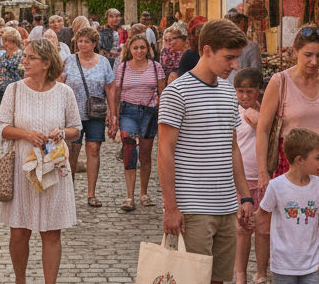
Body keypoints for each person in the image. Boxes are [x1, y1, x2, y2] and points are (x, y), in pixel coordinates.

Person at [158, 18, 253, 284]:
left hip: (227, 206)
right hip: (193, 209)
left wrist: (245, 197)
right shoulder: (177, 92)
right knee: (193, 280)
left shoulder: (228, 92)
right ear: (207, 50)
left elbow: (233, 148)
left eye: (236, 58)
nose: (234, 65)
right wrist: (170, 207)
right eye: (229, 58)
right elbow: (165, 152)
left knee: (219, 280)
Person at [255, 24, 319, 274]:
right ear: (295, 51)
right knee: (294, 226)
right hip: (292, 163)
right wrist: (263, 172)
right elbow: (263, 129)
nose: (314, 61)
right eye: (308, 55)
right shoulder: (280, 81)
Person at [0, 38, 82, 284]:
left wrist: (62, 132)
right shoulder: (14, 90)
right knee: (19, 232)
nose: (24, 61)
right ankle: (20, 280)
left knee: (52, 233)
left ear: (46, 63)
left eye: (30, 57)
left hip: (53, 169)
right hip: (22, 171)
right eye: (24, 56)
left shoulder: (64, 92)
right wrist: (26, 134)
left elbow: (76, 129)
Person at [258, 128, 319, 284]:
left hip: (312, 264)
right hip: (283, 265)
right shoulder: (276, 186)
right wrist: (261, 270)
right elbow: (261, 219)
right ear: (300, 160)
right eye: (318, 157)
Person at [58, 26, 115, 207]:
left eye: (86, 42)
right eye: (80, 41)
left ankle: (91, 194)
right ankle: (68, 192)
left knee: (93, 149)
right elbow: (60, 84)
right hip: (72, 114)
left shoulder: (104, 62)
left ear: (94, 43)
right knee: (72, 151)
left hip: (95, 113)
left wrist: (113, 113)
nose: (82, 44)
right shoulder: (69, 61)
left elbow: (110, 88)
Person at [111, 34, 165, 211]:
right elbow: (117, 92)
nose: (139, 51)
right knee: (129, 151)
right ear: (130, 49)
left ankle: (144, 193)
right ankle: (129, 197)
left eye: (142, 47)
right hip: (128, 112)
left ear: (148, 49)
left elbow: (163, 93)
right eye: (135, 48)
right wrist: (114, 115)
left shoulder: (156, 67)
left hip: (150, 112)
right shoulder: (123, 67)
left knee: (145, 154)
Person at [233, 68, 269, 284]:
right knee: (243, 228)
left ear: (259, 90)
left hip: (264, 177)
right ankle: (240, 275)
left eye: (249, 91)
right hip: (243, 179)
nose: (245, 96)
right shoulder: (233, 113)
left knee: (264, 229)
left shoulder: (267, 112)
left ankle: (262, 273)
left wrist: (261, 120)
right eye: (240, 91)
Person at [0, 28, 25, 119]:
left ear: (15, 42)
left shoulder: (21, 56)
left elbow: (24, 75)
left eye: (8, 41)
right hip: (2, 93)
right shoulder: (3, 56)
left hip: (16, 94)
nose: (5, 44)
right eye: (4, 41)